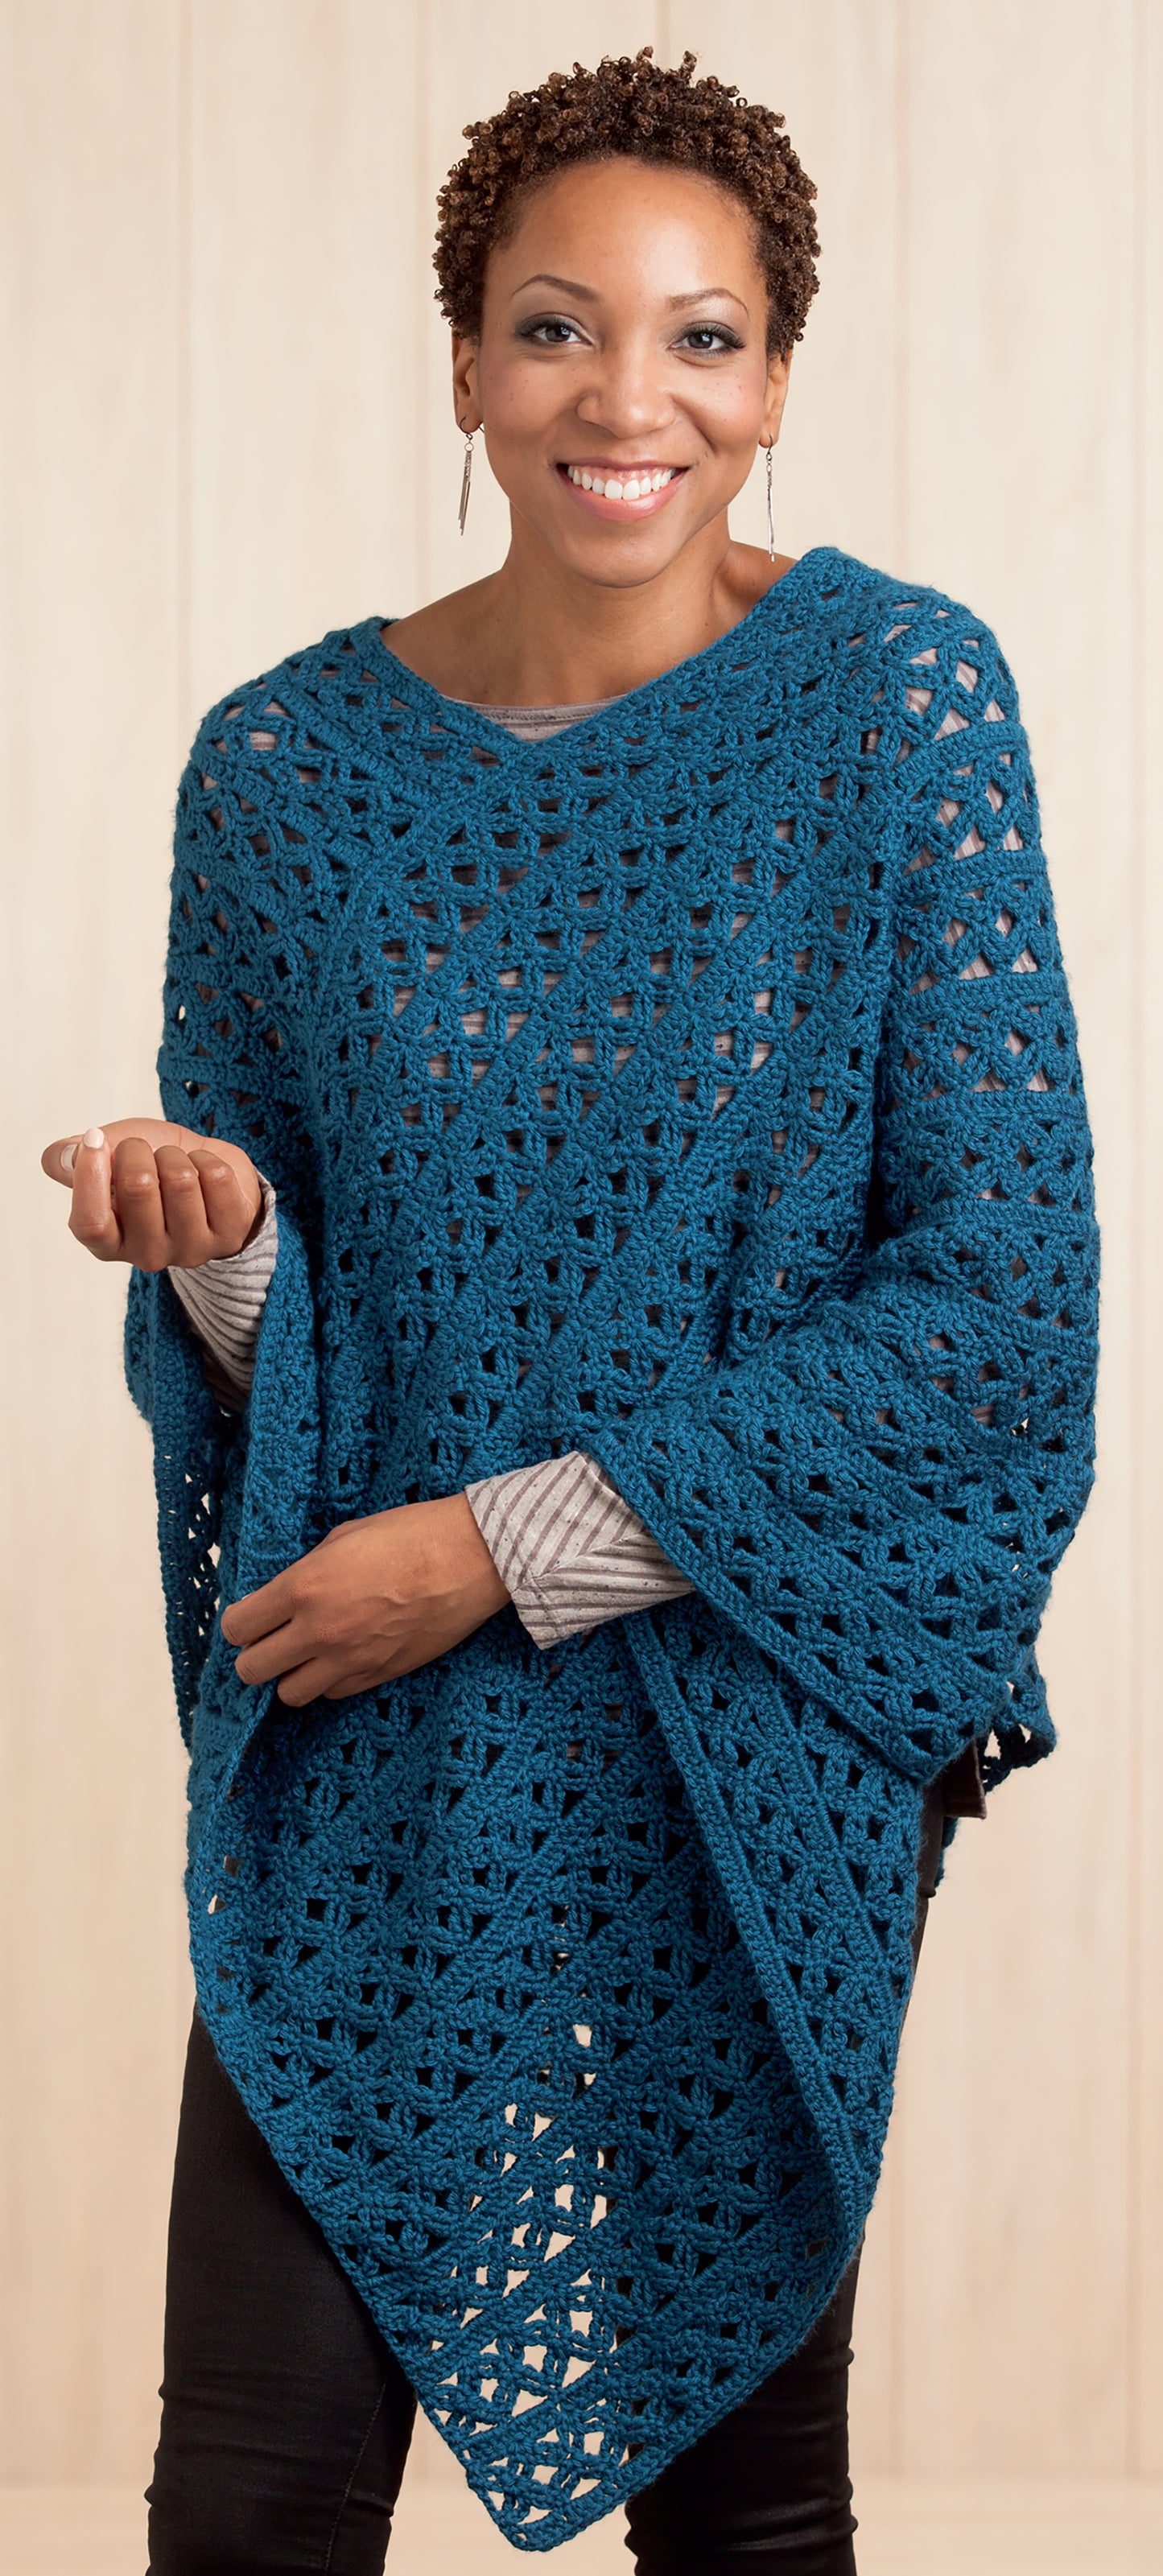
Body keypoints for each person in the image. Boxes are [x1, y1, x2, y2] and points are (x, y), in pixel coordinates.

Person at [41, 46, 1098, 2576]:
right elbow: (303, 1350)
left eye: (704, 339)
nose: (632, 402)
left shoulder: (894, 707)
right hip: (384, 1747)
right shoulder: (277, 772)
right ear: (462, 363)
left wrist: (501, 1546)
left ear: (776, 377)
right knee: (255, 2497)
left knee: (747, 2513)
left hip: (747, 1720)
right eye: (557, 329)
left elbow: (1000, 1305)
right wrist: (217, 1250)